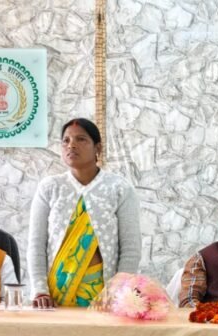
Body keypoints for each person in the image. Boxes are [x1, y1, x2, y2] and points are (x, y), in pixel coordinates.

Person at [28, 118, 141, 308]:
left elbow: (131, 247)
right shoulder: (50, 187)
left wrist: (119, 291)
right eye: (66, 140)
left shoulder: (119, 188)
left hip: (104, 297)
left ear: (98, 148)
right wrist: (40, 290)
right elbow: (36, 244)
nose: (71, 145)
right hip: (54, 296)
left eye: (81, 139)